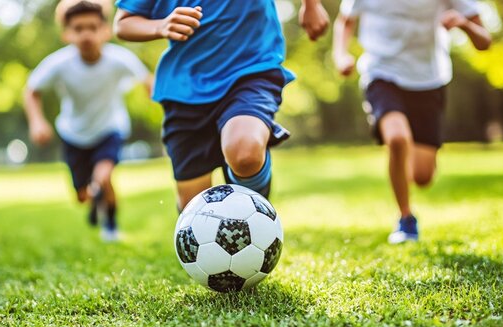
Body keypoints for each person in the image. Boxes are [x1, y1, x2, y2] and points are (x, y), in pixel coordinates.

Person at [113, 0, 330, 210]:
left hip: (252, 69)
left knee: (245, 151)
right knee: (193, 206)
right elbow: (123, 23)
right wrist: (160, 25)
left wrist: (312, 5)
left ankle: (256, 218)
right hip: (185, 89)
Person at [333, 0, 491, 243]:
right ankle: (406, 219)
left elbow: (485, 42)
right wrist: (341, 55)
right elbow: (345, 20)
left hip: (429, 80)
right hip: (381, 73)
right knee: (397, 139)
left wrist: (463, 24)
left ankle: (400, 170)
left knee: (422, 176)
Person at [23, 0, 152, 241]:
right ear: (67, 34)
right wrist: (37, 122)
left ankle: (110, 225)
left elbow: (148, 81)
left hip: (110, 127)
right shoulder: (58, 63)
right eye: (79, 28)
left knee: (103, 176)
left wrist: (161, 103)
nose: (86, 34)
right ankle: (94, 199)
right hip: (74, 133)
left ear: (105, 30)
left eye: (92, 27)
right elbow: (31, 90)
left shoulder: (119, 59)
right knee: (83, 195)